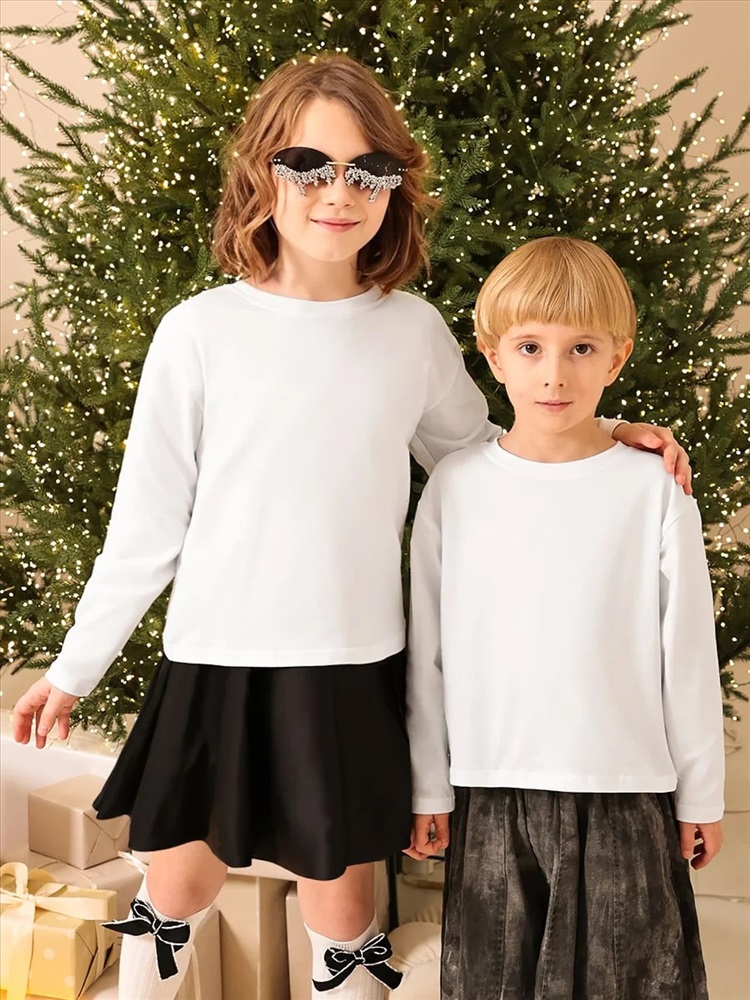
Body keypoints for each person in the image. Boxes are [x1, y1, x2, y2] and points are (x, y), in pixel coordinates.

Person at [12, 57, 690, 1000]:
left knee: (341, 908)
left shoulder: (410, 331)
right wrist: (74, 668)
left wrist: (605, 433)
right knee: (177, 885)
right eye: (310, 166)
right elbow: (147, 524)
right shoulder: (198, 333)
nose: (340, 193)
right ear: (262, 172)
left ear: (393, 188)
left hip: (350, 662)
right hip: (215, 658)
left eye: (369, 171)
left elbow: (484, 456)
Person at [405, 236, 725, 1000]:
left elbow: (685, 649)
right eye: (530, 347)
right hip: (491, 790)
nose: (554, 373)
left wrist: (700, 794)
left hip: (626, 790)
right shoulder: (455, 487)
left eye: (581, 348)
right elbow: (428, 654)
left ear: (616, 358)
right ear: (493, 356)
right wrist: (428, 788)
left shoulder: (652, 488)